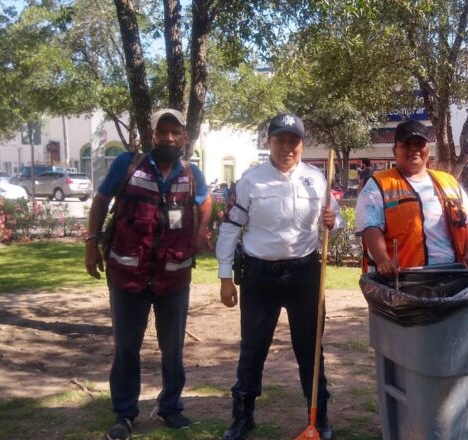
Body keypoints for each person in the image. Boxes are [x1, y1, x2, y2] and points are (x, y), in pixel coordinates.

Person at [84, 109, 212, 440]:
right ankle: (125, 414)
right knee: (127, 347)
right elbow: (100, 200)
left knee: (173, 347)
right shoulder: (128, 164)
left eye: (175, 132)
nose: (169, 137)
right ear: (152, 135)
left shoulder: (191, 172)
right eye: (162, 131)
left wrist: (202, 231)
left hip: (174, 277)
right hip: (128, 275)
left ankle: (170, 408)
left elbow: (206, 199)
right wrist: (90, 243)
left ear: (184, 137)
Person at [215, 112, 341, 440]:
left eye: (294, 140)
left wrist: (333, 221)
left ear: (302, 144)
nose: (287, 147)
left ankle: (319, 416)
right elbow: (230, 228)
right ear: (269, 142)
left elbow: (335, 220)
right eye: (280, 140)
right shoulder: (251, 181)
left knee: (310, 348)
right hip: (260, 276)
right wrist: (225, 276)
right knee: (253, 347)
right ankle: (242, 417)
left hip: (305, 275)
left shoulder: (316, 178)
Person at [355, 120, 468, 275]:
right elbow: (371, 227)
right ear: (394, 150)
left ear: (428, 150)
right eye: (406, 144)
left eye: (419, 144)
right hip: (402, 278)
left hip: (452, 274)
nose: (414, 149)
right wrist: (383, 260)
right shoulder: (378, 184)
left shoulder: (448, 181)